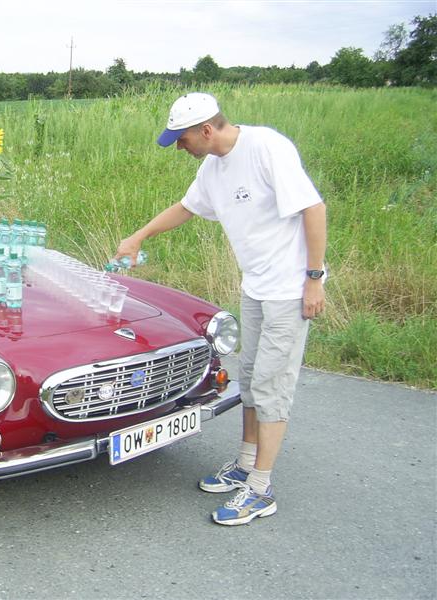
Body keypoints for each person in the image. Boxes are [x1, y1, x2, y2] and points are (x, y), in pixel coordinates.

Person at [116, 92, 326, 526]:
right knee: (250, 377)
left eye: (182, 138)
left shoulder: (267, 147)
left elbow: (313, 208)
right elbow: (186, 208)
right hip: (257, 288)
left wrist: (314, 278)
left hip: (289, 289)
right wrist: (139, 236)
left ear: (206, 130)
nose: (179, 146)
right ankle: (246, 464)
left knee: (271, 387)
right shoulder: (213, 168)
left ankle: (260, 489)